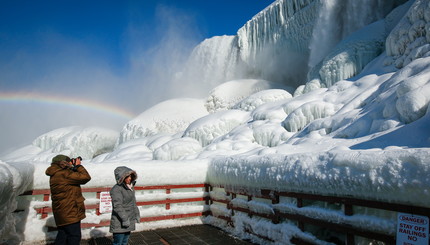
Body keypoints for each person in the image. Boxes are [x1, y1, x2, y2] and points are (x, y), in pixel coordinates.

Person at [45, 154, 91, 245]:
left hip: (61, 211)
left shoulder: (56, 173)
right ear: (63, 163)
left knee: (63, 235)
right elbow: (86, 177)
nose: (71, 163)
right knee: (74, 236)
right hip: (70, 211)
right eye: (69, 161)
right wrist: (78, 166)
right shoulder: (64, 174)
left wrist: (71, 167)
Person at [109, 166, 140, 245]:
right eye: (127, 176)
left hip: (128, 220)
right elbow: (117, 206)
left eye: (131, 176)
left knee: (125, 242)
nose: (130, 178)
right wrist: (125, 219)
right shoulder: (116, 189)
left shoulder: (130, 188)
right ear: (122, 177)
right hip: (119, 222)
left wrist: (136, 214)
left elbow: (133, 203)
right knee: (118, 243)